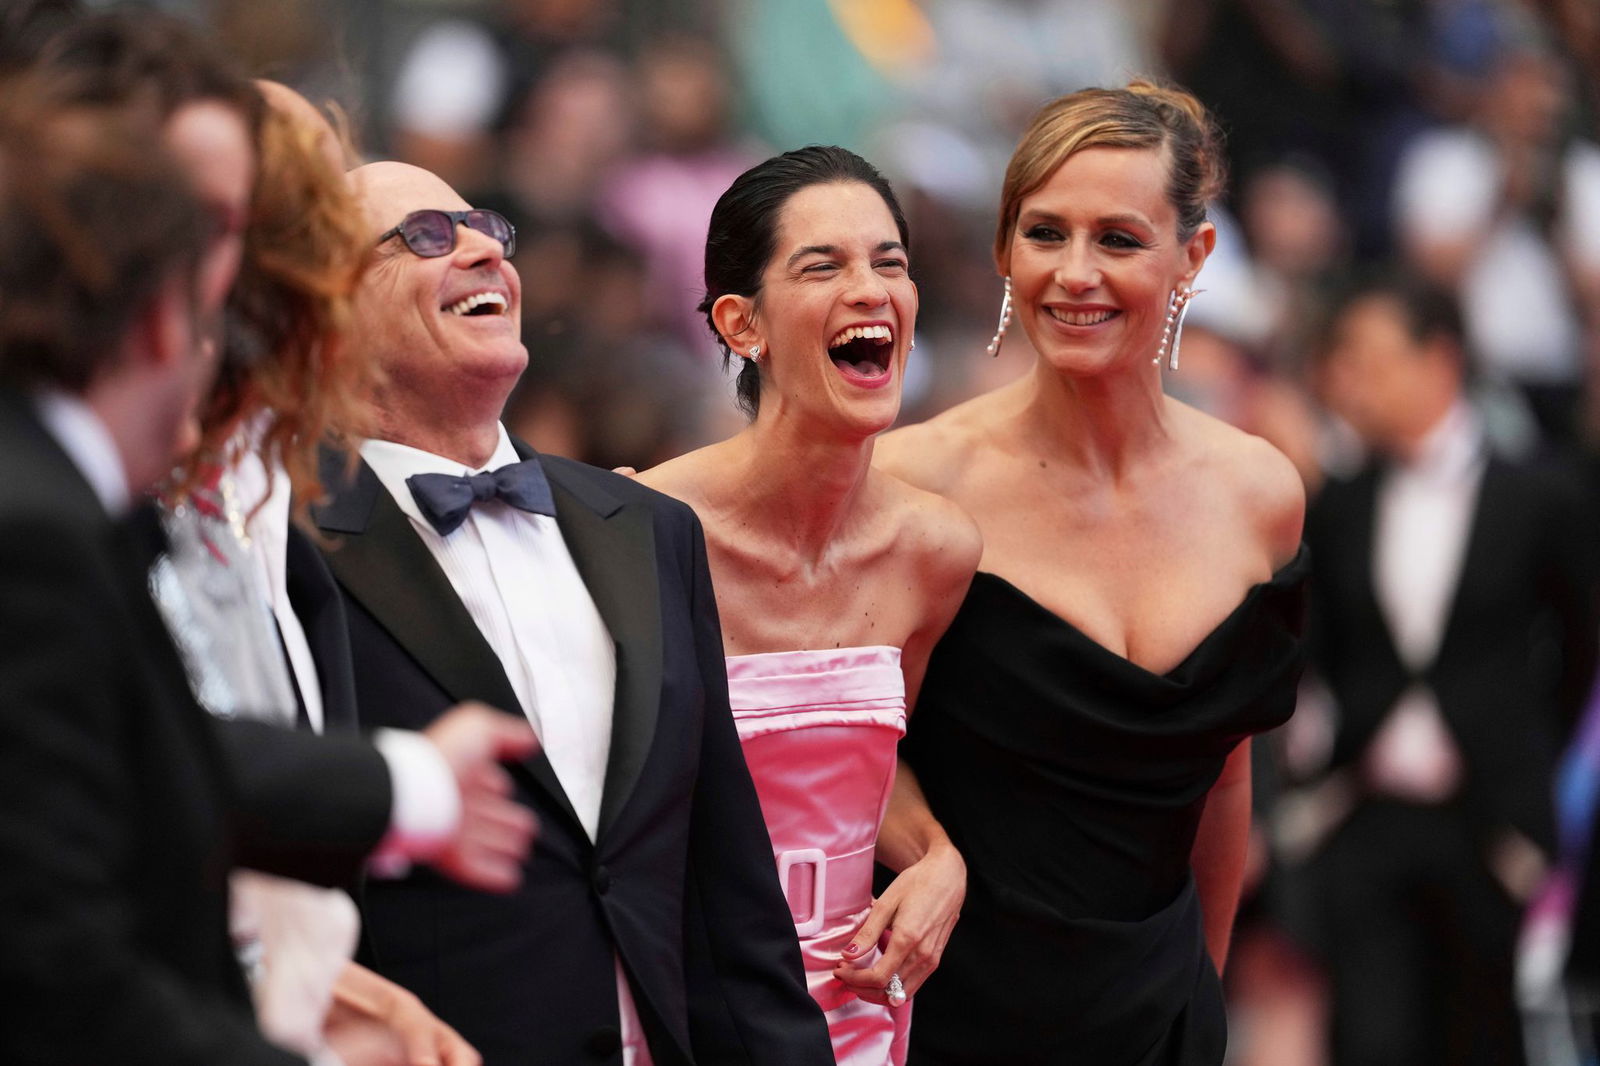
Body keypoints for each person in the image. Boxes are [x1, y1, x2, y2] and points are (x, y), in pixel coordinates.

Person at [0, 73, 532, 1066]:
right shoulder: (42, 520)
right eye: (307, 236)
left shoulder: (252, 490)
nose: (323, 277)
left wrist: (405, 784)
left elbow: (151, 750)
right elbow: (57, 960)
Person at [301, 159, 832, 1065]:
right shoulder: (289, 546)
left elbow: (728, 888)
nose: (480, 249)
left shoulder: (649, 529)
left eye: (487, 226)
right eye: (426, 235)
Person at [874, 81, 1308, 1064]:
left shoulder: (1259, 494)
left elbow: (1226, 776)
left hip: (1162, 1016)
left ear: (1191, 258)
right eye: (1043, 234)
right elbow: (851, 749)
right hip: (951, 1009)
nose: (1074, 274)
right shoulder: (913, 484)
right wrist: (930, 852)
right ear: (1001, 250)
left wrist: (1200, 983)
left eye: (1117, 239)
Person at [635, 146, 978, 1064]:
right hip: (674, 1012)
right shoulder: (636, 530)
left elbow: (867, 759)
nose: (870, 290)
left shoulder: (935, 550)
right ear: (740, 323)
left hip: (857, 1012)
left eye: (889, 263)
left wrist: (939, 858)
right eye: (823, 265)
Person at [1298, 274, 1599, 1066]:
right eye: (1345, 360)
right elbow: (1320, 651)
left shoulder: (1540, 493)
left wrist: (1521, 751)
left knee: (1485, 1039)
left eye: (1373, 358)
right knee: (1369, 1038)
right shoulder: (1339, 503)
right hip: (1368, 810)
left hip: (1492, 827)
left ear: (1440, 360)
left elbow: (1581, 654)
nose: (1352, 381)